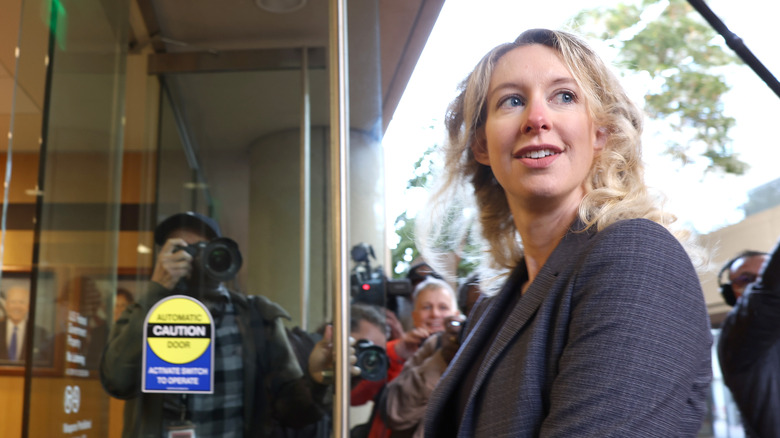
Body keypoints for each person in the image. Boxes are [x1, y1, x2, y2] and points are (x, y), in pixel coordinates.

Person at [416, 28, 712, 436]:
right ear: (482, 144)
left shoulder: (637, 257)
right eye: (512, 101)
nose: (537, 119)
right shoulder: (492, 307)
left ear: (600, 132)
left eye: (565, 96)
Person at [100, 212, 331, 438]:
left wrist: (318, 379)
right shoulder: (147, 312)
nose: (193, 259)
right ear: (162, 258)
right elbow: (117, 382)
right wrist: (156, 294)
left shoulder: (255, 317)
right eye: (181, 250)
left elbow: (294, 414)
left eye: (203, 248)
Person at [717, 241, 778, 437]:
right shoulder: (735, 337)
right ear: (730, 293)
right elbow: (768, 296)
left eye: (763, 276)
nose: (755, 285)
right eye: (746, 279)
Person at [0, 286, 51, 363]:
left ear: (28, 306)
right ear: (6, 305)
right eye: (13, 302)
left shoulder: (41, 334)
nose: (17, 306)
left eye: (21, 302)